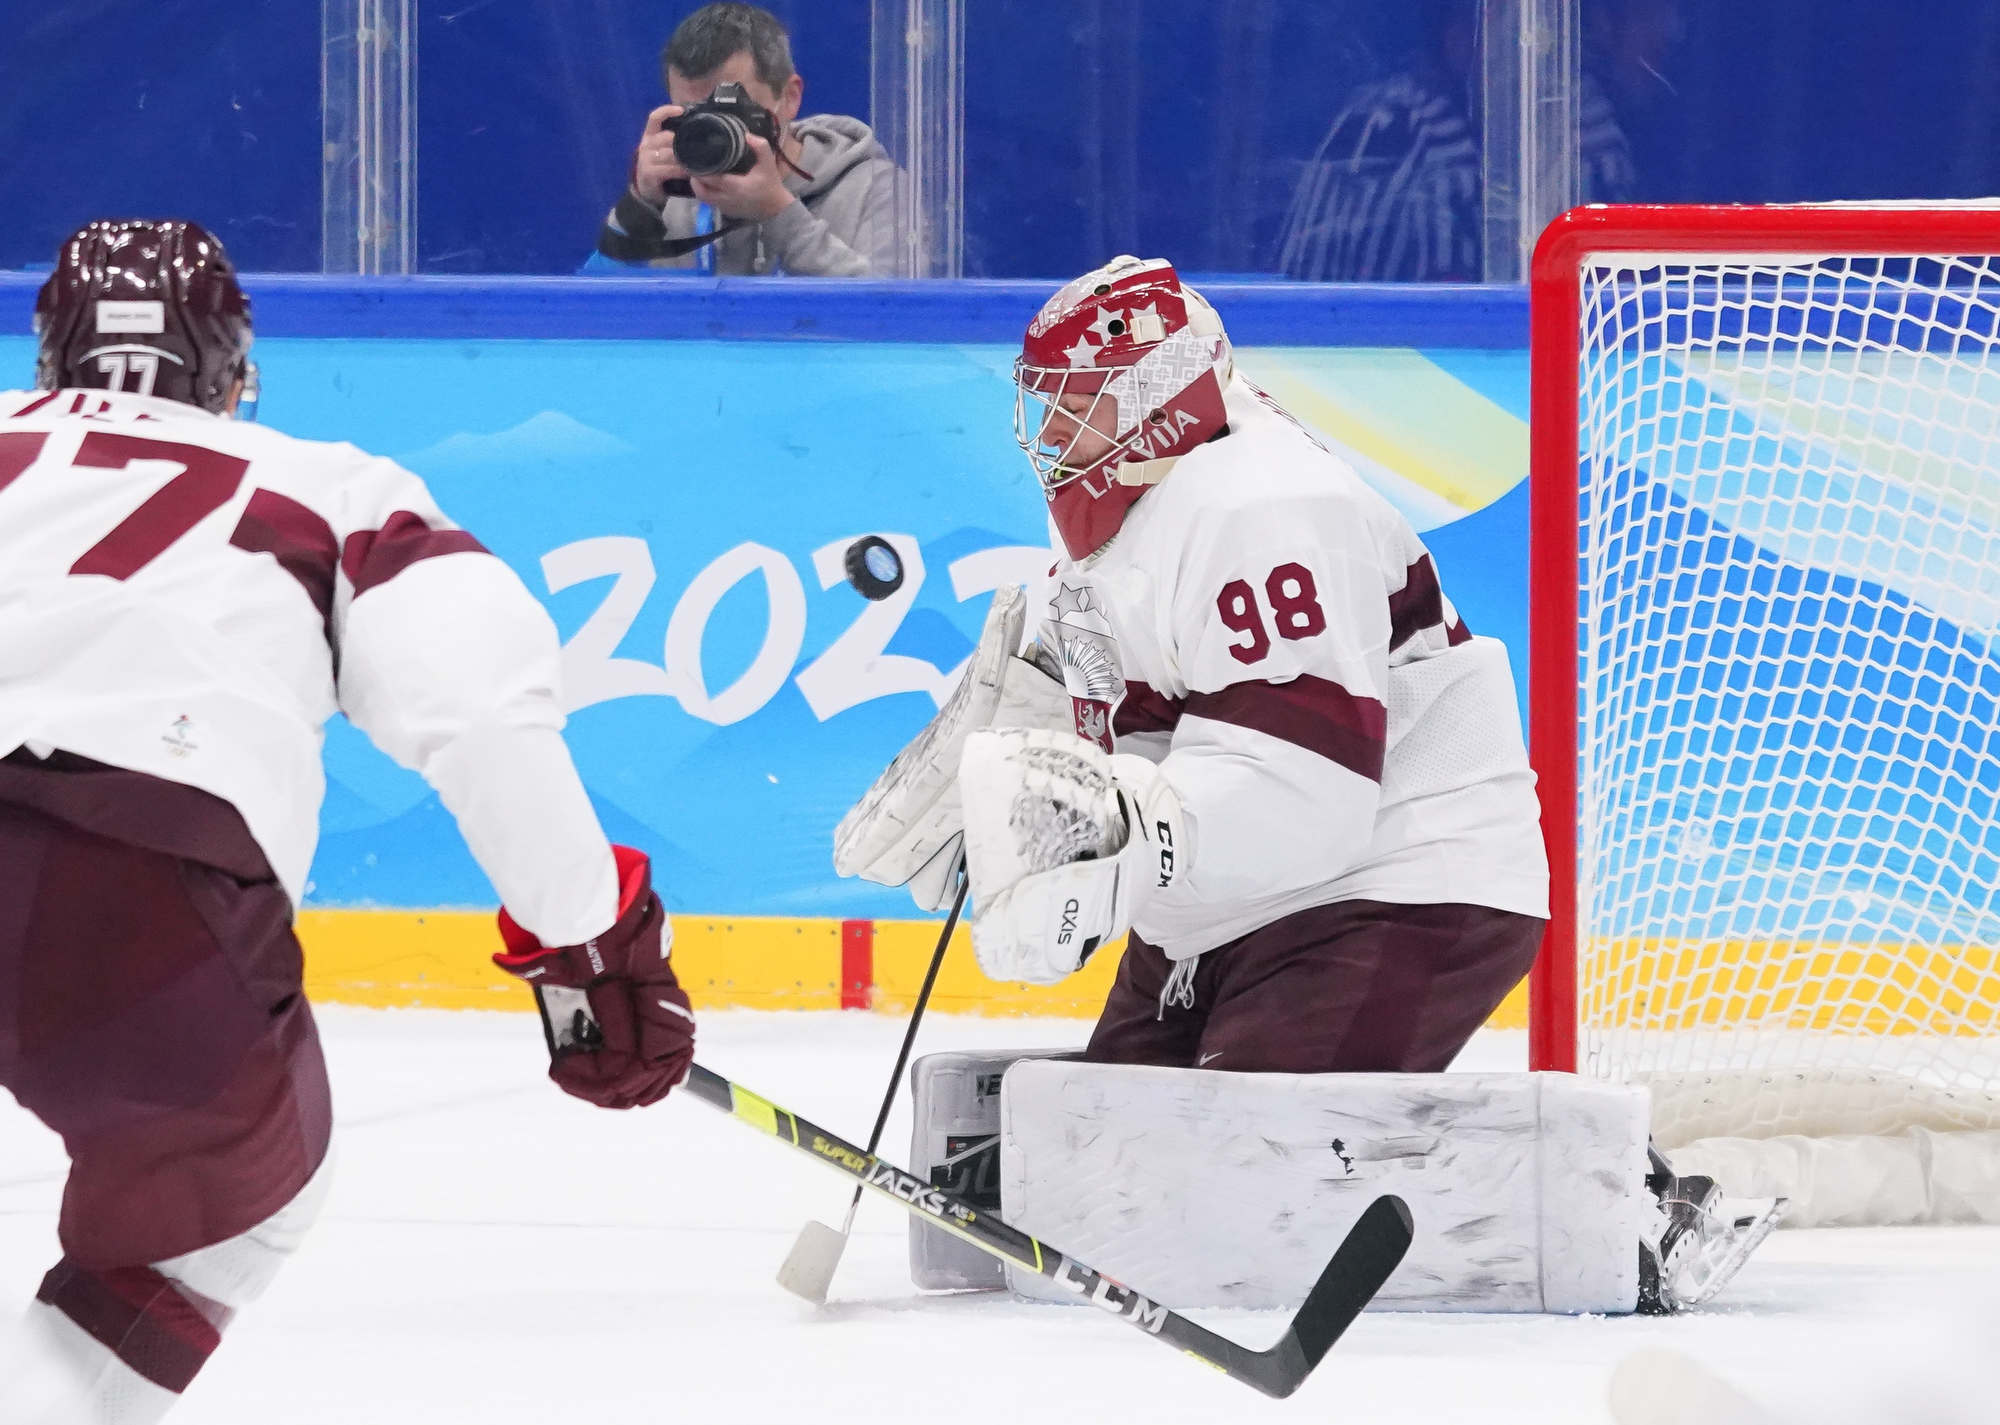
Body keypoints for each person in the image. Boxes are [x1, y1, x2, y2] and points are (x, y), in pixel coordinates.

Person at [839, 254, 1779, 1311]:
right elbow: (1145, 738)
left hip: (1392, 889)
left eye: (1075, 405)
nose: (1050, 434)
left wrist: (1119, 834)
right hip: (1228, 908)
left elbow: (1308, 789)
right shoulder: (1130, 525)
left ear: (1155, 403)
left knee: (1246, 1184)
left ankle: (1631, 1203)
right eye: (1045, 408)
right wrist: (1017, 793)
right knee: (1114, 1163)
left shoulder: (1264, 508)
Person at [0, 219, 697, 1423]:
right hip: (127, 878)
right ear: (231, 367)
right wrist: (589, 935)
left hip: (125, 863)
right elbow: (480, 714)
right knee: (224, 1205)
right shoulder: (328, 489)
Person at [1274, 0, 1655, 281]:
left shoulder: (1579, 116)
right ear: (1458, 30)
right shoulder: (1399, 127)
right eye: (1504, 18)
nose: (1532, 39)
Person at [595, 3, 898, 276]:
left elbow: (890, 312)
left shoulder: (874, 189)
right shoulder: (677, 190)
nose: (713, 131)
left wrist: (779, 213)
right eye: (693, 114)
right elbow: (593, 307)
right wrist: (640, 208)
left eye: (730, 110)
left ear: (790, 97)